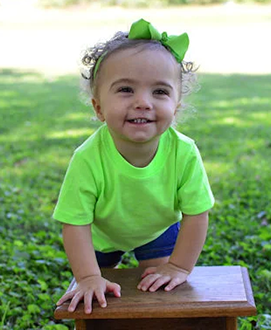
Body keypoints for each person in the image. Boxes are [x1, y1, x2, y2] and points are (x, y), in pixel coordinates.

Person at [54, 18, 214, 315]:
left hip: (157, 229)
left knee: (159, 287)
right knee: (97, 292)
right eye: (126, 89)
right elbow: (74, 222)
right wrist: (88, 277)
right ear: (98, 107)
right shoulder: (87, 157)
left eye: (160, 92)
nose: (143, 102)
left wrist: (178, 267)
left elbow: (196, 213)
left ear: (176, 108)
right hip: (101, 234)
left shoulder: (185, 152)